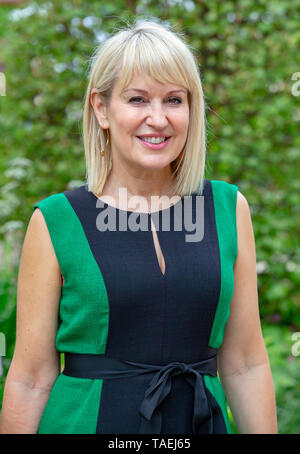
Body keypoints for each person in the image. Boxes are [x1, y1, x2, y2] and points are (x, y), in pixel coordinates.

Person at [0, 20, 277, 434]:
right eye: (137, 99)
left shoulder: (227, 208)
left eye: (174, 100)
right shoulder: (57, 220)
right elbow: (31, 377)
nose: (158, 118)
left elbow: (246, 364)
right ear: (101, 109)